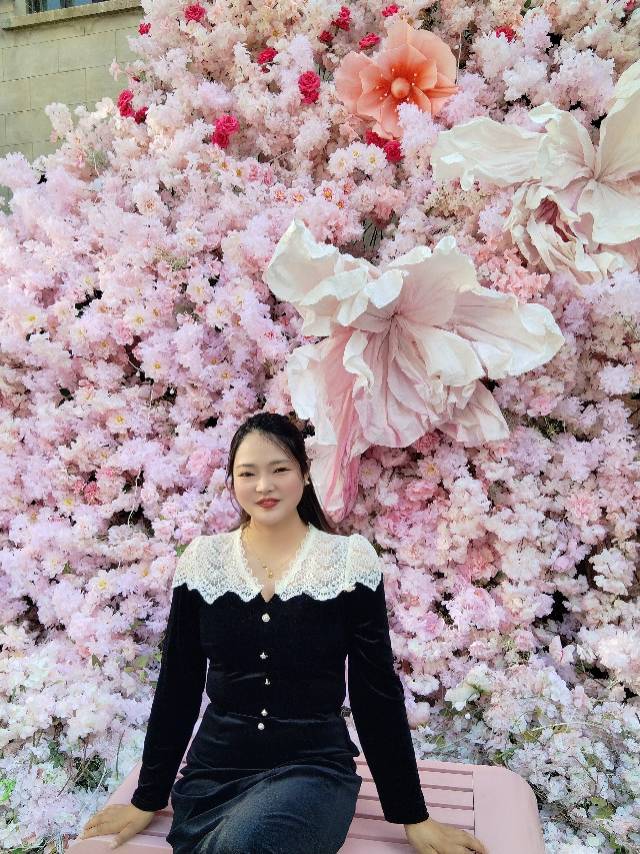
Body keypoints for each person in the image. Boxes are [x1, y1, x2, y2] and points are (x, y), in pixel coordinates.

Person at [78, 412, 488, 854]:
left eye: (279, 470)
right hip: (214, 776)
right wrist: (147, 798)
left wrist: (413, 816)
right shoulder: (202, 562)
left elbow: (375, 692)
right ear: (232, 482)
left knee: (248, 844)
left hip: (313, 772)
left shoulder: (349, 563)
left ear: (305, 474)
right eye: (247, 473)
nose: (263, 486)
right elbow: (178, 684)